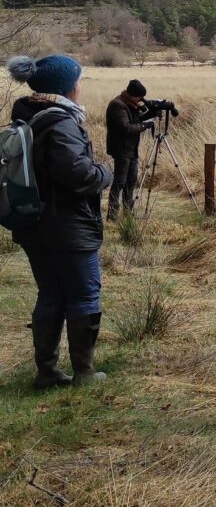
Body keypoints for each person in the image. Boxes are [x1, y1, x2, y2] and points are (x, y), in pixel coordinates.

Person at [6, 54, 113, 387]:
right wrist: (104, 171)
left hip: (32, 222)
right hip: (67, 225)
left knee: (50, 294)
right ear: (67, 86)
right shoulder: (60, 121)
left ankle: (47, 371)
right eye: (78, 79)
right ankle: (84, 372)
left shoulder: (26, 115)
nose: (80, 84)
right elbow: (78, 175)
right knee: (84, 294)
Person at [105, 79, 153, 220]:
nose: (141, 100)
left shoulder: (129, 104)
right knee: (120, 181)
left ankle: (128, 213)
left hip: (131, 149)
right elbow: (126, 128)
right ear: (133, 95)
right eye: (139, 97)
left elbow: (135, 119)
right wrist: (145, 126)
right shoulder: (117, 105)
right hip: (121, 149)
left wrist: (151, 113)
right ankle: (112, 215)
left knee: (131, 181)